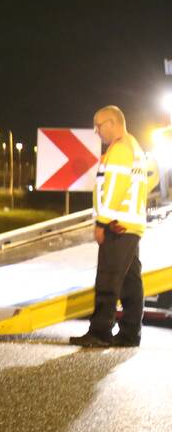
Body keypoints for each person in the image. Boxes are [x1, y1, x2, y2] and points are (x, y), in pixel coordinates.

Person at [71, 105, 157, 347]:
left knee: (108, 281)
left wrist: (102, 222)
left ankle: (100, 332)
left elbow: (114, 190)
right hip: (131, 224)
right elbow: (149, 180)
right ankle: (130, 333)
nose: (97, 131)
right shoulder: (135, 147)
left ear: (112, 123)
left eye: (99, 126)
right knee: (130, 282)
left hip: (117, 226)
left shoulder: (119, 150)